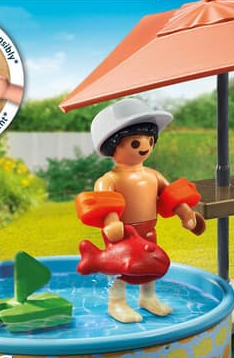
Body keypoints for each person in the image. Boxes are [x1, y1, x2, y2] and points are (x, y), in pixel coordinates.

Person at [76, 98, 206, 323]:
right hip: (122, 235)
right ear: (113, 145)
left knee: (150, 265)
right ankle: (116, 302)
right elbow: (105, 204)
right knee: (121, 268)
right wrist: (112, 222)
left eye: (150, 141)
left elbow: (172, 195)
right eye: (135, 143)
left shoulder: (153, 175)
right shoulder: (109, 179)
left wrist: (186, 214)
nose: (145, 147)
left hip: (148, 231)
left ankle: (148, 297)